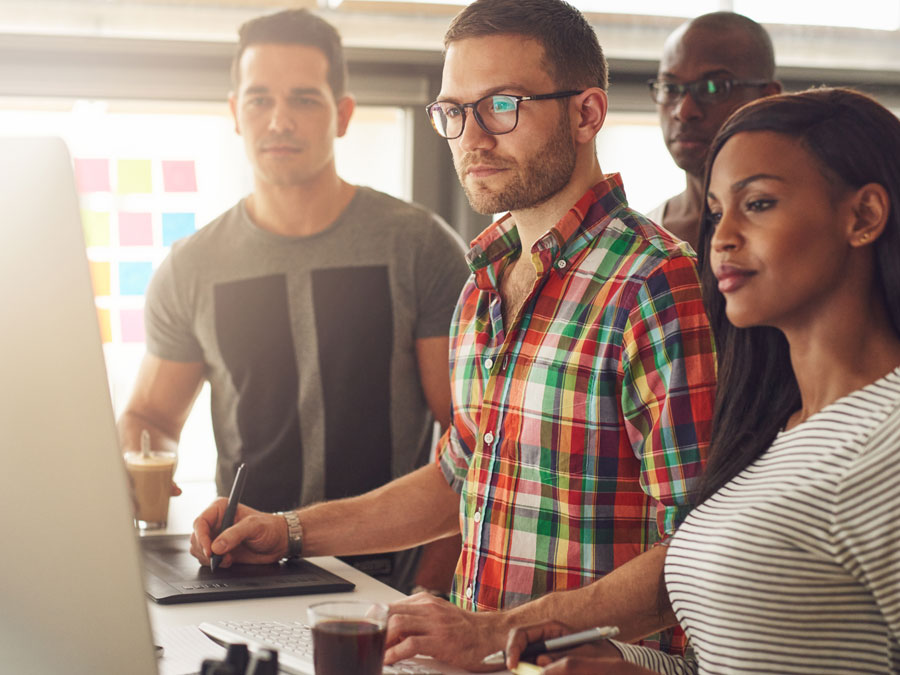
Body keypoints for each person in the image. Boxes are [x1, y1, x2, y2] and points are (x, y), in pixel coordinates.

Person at [189, 0, 717, 667]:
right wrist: (289, 530)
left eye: (502, 105)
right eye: (453, 111)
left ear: (587, 113)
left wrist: (494, 629)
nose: (472, 136)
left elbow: (699, 551)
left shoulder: (654, 281)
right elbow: (457, 474)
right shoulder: (485, 282)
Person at [502, 87, 900, 674]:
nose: (722, 237)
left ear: (862, 216)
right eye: (716, 212)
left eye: (758, 204)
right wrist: (625, 666)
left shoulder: (886, 445)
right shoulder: (772, 430)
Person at [117, 8, 470, 594]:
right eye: (258, 100)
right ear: (235, 113)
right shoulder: (191, 267)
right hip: (243, 572)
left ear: (343, 115)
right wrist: (138, 459)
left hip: (386, 583)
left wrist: (428, 596)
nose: (278, 120)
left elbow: (471, 447)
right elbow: (150, 419)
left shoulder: (419, 247)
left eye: (304, 99)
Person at [645, 12, 781, 252]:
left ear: (766, 98)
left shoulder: (794, 226)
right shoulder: (643, 235)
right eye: (670, 88)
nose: (684, 111)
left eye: (714, 88)